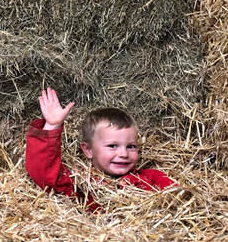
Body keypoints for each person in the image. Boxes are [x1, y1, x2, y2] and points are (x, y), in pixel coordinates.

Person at [26, 88, 175, 212]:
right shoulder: (81, 183)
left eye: (131, 146)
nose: (123, 154)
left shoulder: (152, 179)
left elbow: (181, 198)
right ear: (88, 150)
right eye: (112, 146)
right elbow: (45, 175)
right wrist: (52, 126)